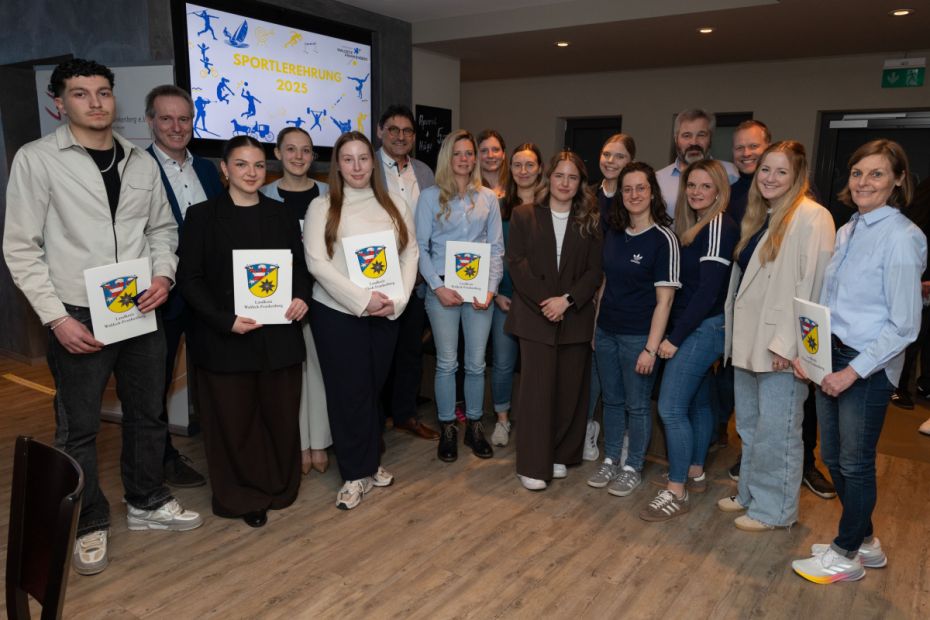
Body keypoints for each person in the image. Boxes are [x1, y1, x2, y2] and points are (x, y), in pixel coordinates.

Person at [3, 59, 202, 576]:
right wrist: (56, 319)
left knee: (148, 413)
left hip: (138, 308)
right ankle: (87, 519)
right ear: (59, 103)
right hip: (76, 311)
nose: (95, 102)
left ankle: (147, 500)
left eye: (103, 92)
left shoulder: (139, 162)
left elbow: (162, 231)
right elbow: (21, 248)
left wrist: (163, 277)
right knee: (79, 428)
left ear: (115, 98)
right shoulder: (37, 160)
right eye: (80, 93)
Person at [791, 140, 926, 583]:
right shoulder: (850, 228)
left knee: (856, 462)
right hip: (832, 354)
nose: (864, 182)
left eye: (877, 173)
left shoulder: (902, 237)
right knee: (834, 456)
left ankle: (845, 552)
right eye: (857, 173)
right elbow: (830, 303)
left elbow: (905, 326)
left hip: (865, 366)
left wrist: (851, 372)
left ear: (898, 180)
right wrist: (811, 356)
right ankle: (865, 541)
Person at [177, 135, 309, 528]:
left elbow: (300, 268)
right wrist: (225, 320)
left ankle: (280, 487)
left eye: (258, 165)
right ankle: (242, 496)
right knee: (235, 423)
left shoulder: (281, 214)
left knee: (280, 417)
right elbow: (190, 279)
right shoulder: (201, 216)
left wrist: (301, 298)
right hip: (225, 340)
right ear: (224, 169)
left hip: (278, 338)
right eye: (241, 164)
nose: (251, 173)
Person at [718, 140, 835, 531]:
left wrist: (790, 346)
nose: (769, 177)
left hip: (780, 349)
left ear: (798, 176)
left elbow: (813, 287)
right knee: (750, 428)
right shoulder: (761, 216)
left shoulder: (813, 217)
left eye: (781, 171)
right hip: (748, 342)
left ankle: (774, 510)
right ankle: (750, 494)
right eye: (765, 169)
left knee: (778, 433)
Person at [305, 131, 418, 510]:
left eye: (363, 158)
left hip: (385, 312)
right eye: (348, 159)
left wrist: (397, 301)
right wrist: (362, 299)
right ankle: (355, 473)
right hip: (337, 314)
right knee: (348, 393)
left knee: (371, 390)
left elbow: (410, 253)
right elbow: (316, 264)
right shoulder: (322, 206)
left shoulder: (395, 203)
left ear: (373, 162)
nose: (356, 166)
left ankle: (370, 463)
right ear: (337, 165)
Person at [640, 160, 737, 521]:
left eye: (705, 186)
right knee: (698, 402)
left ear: (719, 191)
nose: (697, 192)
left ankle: (676, 490)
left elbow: (708, 292)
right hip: (696, 326)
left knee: (670, 408)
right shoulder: (694, 225)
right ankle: (694, 471)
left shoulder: (718, 226)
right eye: (692, 185)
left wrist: (675, 338)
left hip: (702, 328)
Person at [506, 151, 603, 490]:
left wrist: (567, 301)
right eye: (559, 175)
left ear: (580, 183)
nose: (565, 183)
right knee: (537, 392)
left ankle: (560, 453)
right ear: (549, 178)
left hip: (574, 315)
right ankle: (532, 464)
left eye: (572, 177)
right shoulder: (524, 215)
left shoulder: (590, 220)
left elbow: (594, 271)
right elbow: (517, 264)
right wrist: (548, 303)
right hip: (535, 316)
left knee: (569, 391)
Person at [145, 84, 224, 489]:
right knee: (154, 381)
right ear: (150, 122)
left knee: (217, 373)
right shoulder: (137, 168)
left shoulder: (208, 169)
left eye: (184, 119)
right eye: (166, 118)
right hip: (166, 294)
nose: (177, 127)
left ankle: (224, 450)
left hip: (210, 293)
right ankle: (160, 460)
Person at [587, 162, 680, 497]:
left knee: (637, 405)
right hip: (607, 332)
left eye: (641, 188)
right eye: (627, 189)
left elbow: (665, 302)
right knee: (611, 400)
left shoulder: (664, 239)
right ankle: (611, 458)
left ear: (652, 192)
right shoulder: (614, 234)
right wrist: (596, 328)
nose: (634, 194)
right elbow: (605, 284)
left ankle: (633, 467)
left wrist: (651, 349)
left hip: (639, 338)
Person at [416, 129, 504, 462]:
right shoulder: (429, 197)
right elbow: (420, 247)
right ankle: (448, 428)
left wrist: (491, 289)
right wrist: (437, 287)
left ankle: (475, 427)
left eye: (469, 153)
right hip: (442, 291)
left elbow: (496, 248)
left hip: (479, 292)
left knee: (477, 364)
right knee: (446, 363)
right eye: (458, 153)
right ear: (447, 157)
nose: (464, 159)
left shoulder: (488, 198)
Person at [260, 127, 334, 474]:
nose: (298, 157)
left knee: (320, 368)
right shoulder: (263, 195)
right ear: (277, 153)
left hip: (326, 294)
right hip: (282, 297)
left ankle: (319, 442)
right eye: (290, 149)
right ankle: (299, 444)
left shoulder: (330, 194)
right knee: (291, 372)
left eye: (305, 150)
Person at [375, 104, 440, 441]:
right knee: (378, 352)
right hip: (378, 276)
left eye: (407, 131)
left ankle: (405, 415)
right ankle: (376, 419)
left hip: (416, 277)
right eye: (393, 130)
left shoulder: (424, 172)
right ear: (380, 132)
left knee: (410, 351)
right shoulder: (367, 166)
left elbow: (434, 222)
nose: (400, 136)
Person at [489, 142, 546, 447]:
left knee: (537, 367)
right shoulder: (498, 207)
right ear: (509, 169)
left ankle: (535, 422)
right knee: (503, 364)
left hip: (539, 303)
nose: (523, 171)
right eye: (517, 165)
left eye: (530, 165)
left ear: (540, 169)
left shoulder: (550, 207)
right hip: (506, 299)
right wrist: (497, 293)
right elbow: (491, 253)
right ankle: (502, 420)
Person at [585, 133, 636, 462]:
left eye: (619, 156)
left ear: (630, 161)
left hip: (617, 292)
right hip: (585, 290)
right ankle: (588, 427)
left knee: (620, 372)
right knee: (591, 367)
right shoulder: (587, 195)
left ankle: (625, 435)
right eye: (607, 154)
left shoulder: (632, 198)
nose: (611, 161)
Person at [656, 108, 738, 220]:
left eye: (701, 135)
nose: (694, 142)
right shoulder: (658, 180)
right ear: (676, 139)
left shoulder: (731, 173)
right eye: (686, 135)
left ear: (710, 139)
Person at [478, 129, 508, 198]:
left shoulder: (515, 186)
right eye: (484, 151)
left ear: (503, 154)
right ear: (476, 156)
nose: (490, 155)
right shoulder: (470, 190)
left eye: (495, 150)